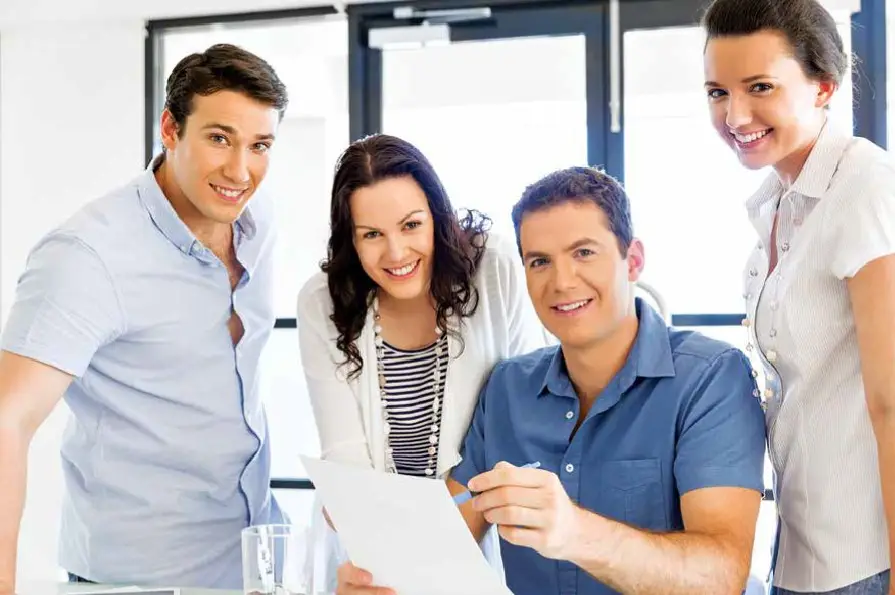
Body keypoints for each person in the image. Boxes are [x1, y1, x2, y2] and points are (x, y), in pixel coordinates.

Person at [336, 166, 767, 595]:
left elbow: (721, 575)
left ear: (632, 260)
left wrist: (576, 532)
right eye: (539, 261)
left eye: (584, 253)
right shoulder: (507, 390)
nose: (561, 282)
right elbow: (443, 546)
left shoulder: (711, 377)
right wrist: (380, 579)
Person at [0, 43, 288, 591]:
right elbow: (6, 421)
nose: (240, 169)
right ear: (171, 129)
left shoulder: (258, 221)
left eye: (260, 145)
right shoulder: (88, 255)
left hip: (251, 569)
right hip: (137, 582)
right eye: (220, 138)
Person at [297, 133, 548, 586]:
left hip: (474, 528)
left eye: (411, 225)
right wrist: (388, 555)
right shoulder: (321, 301)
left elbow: (522, 415)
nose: (396, 254)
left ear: (437, 216)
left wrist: (444, 550)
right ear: (350, 241)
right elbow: (345, 459)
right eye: (372, 235)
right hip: (367, 548)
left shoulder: (493, 269)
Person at [702, 0, 894, 592]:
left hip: (865, 557)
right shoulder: (776, 208)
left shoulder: (865, 184)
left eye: (760, 86)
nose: (735, 114)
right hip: (798, 548)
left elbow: (892, 399)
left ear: (822, 87)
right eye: (716, 92)